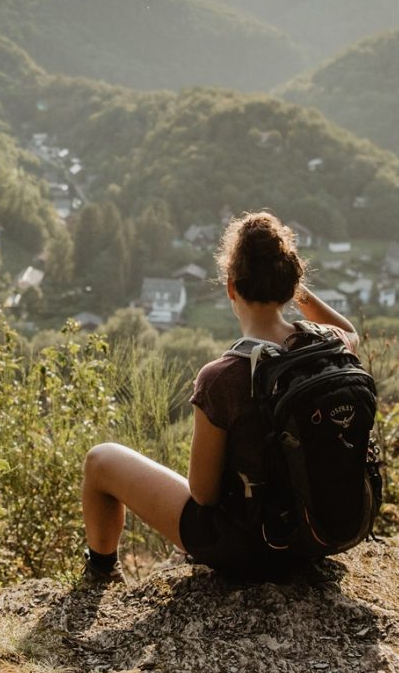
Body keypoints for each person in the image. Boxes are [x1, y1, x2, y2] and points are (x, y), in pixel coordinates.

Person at [80, 210, 360, 581]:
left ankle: (100, 573)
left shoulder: (221, 377)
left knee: (101, 461)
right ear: (292, 285)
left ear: (231, 286)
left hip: (247, 548)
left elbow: (204, 494)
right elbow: (348, 330)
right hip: (323, 533)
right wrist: (293, 289)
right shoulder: (332, 349)